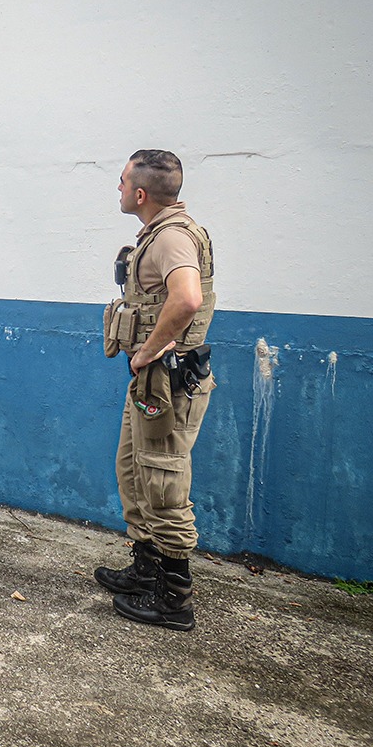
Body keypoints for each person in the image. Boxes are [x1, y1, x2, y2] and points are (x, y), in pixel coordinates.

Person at [95, 149, 216, 631]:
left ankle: (173, 599)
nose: (118, 188)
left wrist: (148, 350)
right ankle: (146, 569)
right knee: (133, 471)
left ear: (140, 193)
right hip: (152, 382)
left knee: (164, 482)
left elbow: (188, 297)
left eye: (122, 181)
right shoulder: (160, 235)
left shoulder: (171, 239)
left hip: (167, 380)